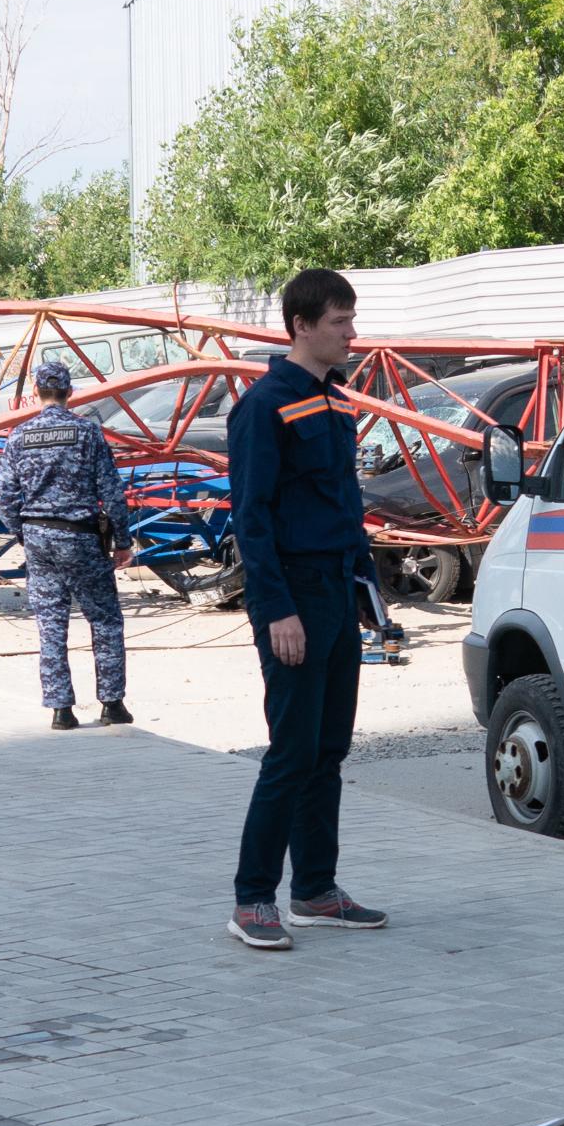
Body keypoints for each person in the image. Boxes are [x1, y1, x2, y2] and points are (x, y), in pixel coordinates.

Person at [222, 269, 389, 952]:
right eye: (339, 323)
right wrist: (275, 610)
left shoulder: (337, 402)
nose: (351, 333)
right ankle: (251, 899)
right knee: (291, 752)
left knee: (328, 750)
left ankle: (315, 891)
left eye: (351, 321)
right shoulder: (265, 407)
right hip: (291, 595)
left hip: (335, 592)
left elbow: (345, 509)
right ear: (301, 326)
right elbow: (251, 518)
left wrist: (367, 590)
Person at [0, 356, 133, 732]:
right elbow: (111, 492)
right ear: (70, 393)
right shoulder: (87, 433)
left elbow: (3, 498)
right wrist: (123, 541)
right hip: (82, 538)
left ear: (35, 392)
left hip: (39, 539)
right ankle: (112, 704)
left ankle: (61, 710)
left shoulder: (19, 436)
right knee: (103, 619)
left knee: (51, 622)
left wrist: (25, 533)